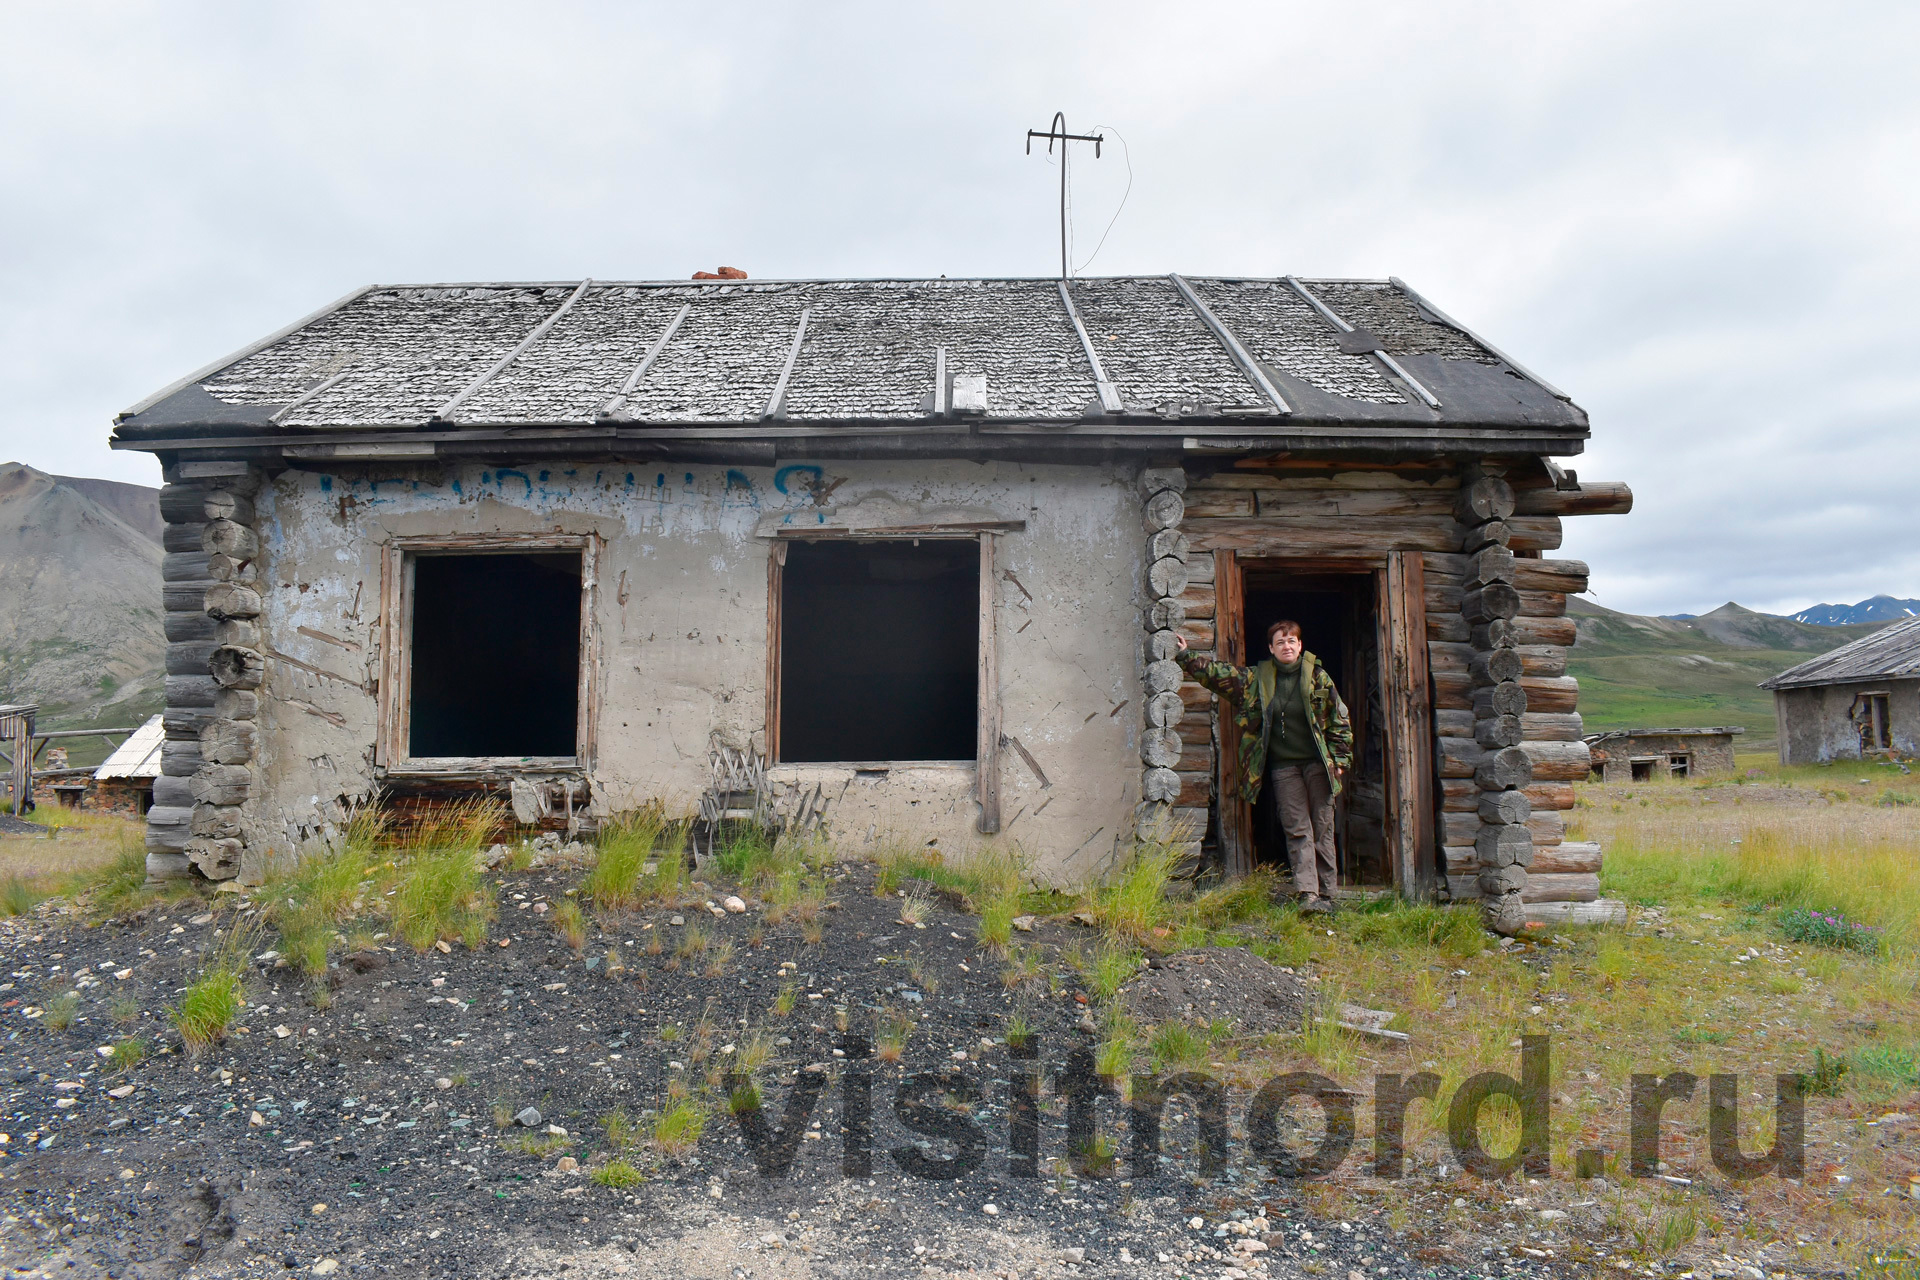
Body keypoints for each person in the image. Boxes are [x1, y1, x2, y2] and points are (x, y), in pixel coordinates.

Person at [1175, 621, 1353, 912]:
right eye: (1281, 642)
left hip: (1318, 765)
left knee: (1322, 827)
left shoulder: (1318, 677)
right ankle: (1308, 893)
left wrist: (1341, 760)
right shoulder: (1257, 679)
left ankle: (1328, 895)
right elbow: (1221, 675)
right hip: (1284, 768)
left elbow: (1339, 719)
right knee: (1297, 828)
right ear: (1271, 648)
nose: (1287, 646)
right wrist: (1186, 656)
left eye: (1292, 641)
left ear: (1300, 645)